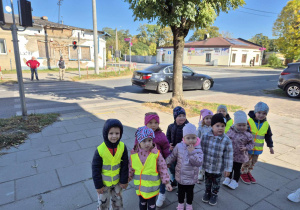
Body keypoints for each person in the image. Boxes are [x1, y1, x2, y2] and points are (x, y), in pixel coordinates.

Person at [129, 126, 172, 210]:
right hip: (140, 188)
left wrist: (166, 182)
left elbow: (163, 168)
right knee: (142, 204)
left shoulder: (156, 154)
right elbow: (130, 168)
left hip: (152, 188)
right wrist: (126, 179)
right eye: (144, 141)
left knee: (152, 205)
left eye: (149, 140)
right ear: (138, 142)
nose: (147, 143)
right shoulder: (134, 155)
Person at [92, 119, 129, 210]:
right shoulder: (100, 150)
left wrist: (124, 180)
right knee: (103, 204)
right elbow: (95, 168)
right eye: (111, 133)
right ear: (105, 134)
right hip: (104, 184)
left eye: (117, 133)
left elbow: (125, 165)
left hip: (117, 182)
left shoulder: (122, 147)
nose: (114, 136)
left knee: (118, 202)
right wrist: (98, 185)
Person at [166, 123, 203, 210]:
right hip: (181, 176)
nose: (191, 140)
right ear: (184, 138)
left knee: (190, 192)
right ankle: (181, 204)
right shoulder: (179, 146)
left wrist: (192, 153)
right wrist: (166, 162)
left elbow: (199, 163)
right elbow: (173, 156)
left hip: (191, 176)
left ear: (196, 137)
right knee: (181, 192)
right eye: (188, 138)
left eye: (193, 138)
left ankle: (189, 204)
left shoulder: (198, 148)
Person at [201, 113, 233, 206]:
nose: (220, 128)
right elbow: (201, 150)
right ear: (212, 126)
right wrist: (198, 164)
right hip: (207, 166)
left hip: (218, 167)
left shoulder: (226, 140)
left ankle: (214, 194)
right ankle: (207, 192)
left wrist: (228, 169)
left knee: (216, 182)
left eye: (223, 126)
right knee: (207, 181)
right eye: (217, 125)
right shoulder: (205, 136)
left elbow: (229, 155)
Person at [240, 102, 274, 184]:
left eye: (264, 113)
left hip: (258, 149)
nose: (261, 115)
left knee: (253, 162)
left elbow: (268, 136)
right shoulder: (249, 122)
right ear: (255, 112)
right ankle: (243, 173)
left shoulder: (266, 124)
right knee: (246, 161)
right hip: (248, 148)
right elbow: (242, 134)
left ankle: (249, 172)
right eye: (259, 112)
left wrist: (270, 147)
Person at [223, 111, 254, 190]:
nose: (242, 127)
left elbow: (251, 144)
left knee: (237, 169)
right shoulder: (231, 131)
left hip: (240, 156)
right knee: (230, 167)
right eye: (239, 125)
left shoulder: (247, 134)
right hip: (230, 154)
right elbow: (226, 139)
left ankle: (235, 181)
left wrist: (246, 148)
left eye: (244, 125)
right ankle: (228, 178)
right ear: (235, 124)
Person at [166, 106, 189, 190]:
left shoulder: (187, 127)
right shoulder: (171, 126)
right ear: (175, 117)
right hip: (172, 151)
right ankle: (174, 180)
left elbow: (191, 138)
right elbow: (167, 136)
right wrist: (169, 144)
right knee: (172, 165)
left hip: (183, 152)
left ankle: (180, 184)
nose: (182, 118)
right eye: (179, 116)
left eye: (184, 115)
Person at [197, 109, 213, 183]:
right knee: (201, 160)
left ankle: (207, 172)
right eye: (207, 118)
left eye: (210, 118)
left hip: (210, 148)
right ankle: (200, 172)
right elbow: (197, 137)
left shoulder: (213, 127)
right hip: (202, 147)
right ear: (203, 119)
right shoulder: (200, 128)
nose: (209, 120)